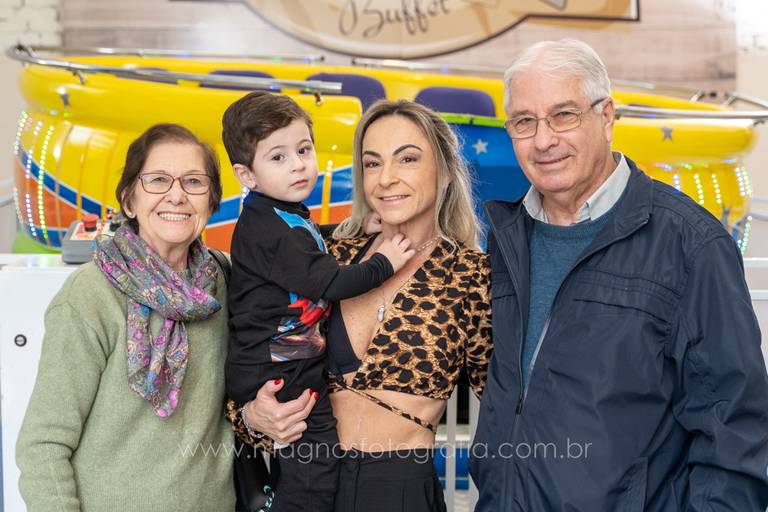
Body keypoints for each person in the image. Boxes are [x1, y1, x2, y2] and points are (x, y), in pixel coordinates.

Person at [469, 38, 768, 511]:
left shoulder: (690, 244)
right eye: (524, 122)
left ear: (606, 116)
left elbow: (734, 431)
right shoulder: (507, 239)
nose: (543, 140)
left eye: (563, 115)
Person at [227, 99, 492, 512]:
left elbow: (506, 401)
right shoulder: (330, 255)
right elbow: (252, 355)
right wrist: (252, 417)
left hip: (398, 491)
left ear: (444, 170)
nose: (386, 178)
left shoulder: (471, 274)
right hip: (305, 479)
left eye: (407, 158)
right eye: (372, 163)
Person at [16, 124, 235, 511]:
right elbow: (44, 445)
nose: (177, 195)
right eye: (158, 180)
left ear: (212, 201)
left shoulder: (225, 282)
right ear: (129, 201)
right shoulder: (90, 296)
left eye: (194, 181)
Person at [221, 91, 415, 511]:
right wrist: (385, 262)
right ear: (246, 174)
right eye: (278, 157)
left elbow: (305, 243)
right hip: (277, 369)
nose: (297, 164)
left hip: (279, 360)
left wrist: (353, 227)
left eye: (303, 150)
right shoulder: (271, 229)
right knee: (316, 463)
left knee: (309, 463)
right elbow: (332, 281)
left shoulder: (277, 213)